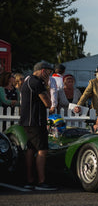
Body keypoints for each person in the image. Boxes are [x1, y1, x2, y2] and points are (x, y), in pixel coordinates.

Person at [20, 61, 57, 190]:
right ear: (43, 71)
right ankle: (41, 181)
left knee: (31, 149)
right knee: (42, 150)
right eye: (48, 72)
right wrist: (46, 85)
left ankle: (30, 180)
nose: (49, 75)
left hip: (27, 121)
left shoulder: (28, 80)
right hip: (36, 121)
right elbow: (47, 103)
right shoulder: (37, 82)